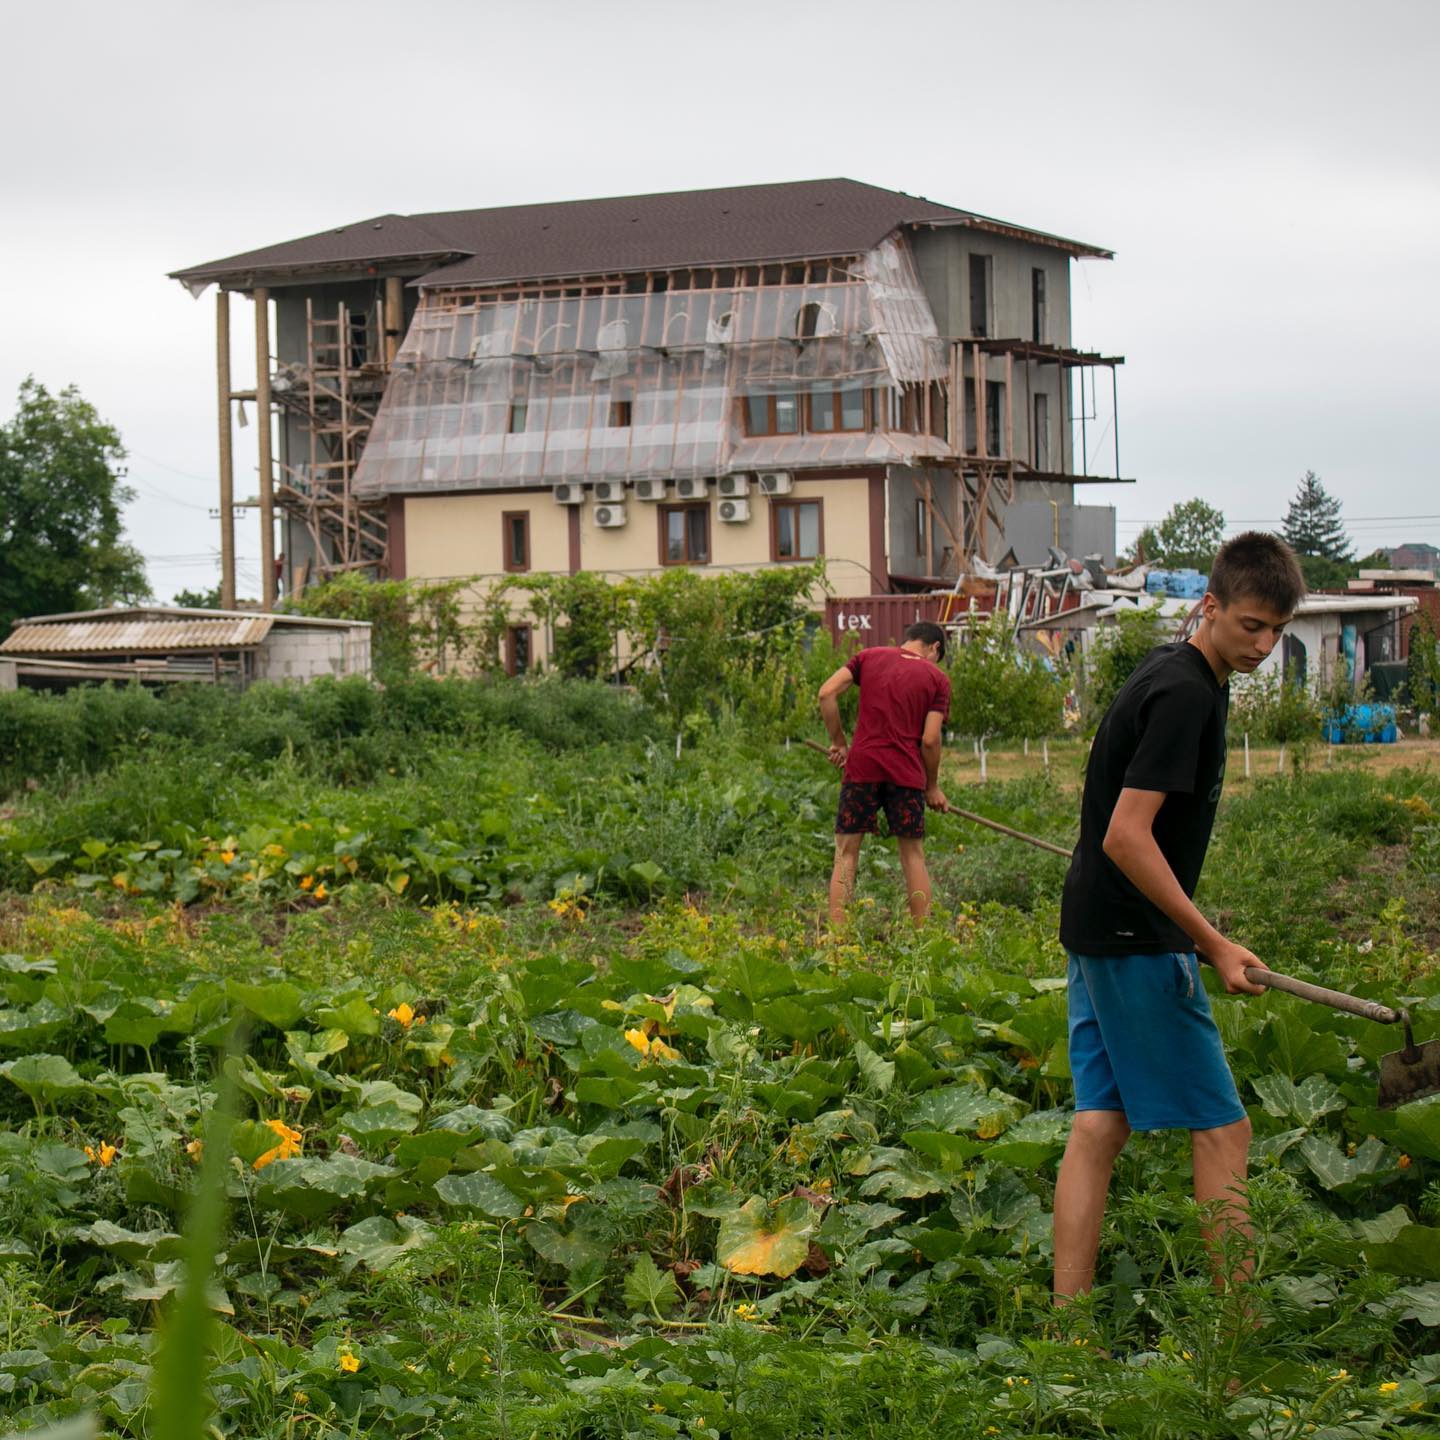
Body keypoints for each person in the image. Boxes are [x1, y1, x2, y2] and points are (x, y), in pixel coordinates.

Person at [1052, 531, 1306, 1304]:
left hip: (1097, 928)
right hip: (1134, 940)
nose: (1262, 646)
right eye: (1250, 626)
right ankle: (1232, 1337)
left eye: (1276, 632)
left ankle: (1068, 1329)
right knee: (1225, 1130)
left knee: (1100, 1126)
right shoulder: (1189, 692)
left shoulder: (1174, 668)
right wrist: (1213, 942)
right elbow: (1127, 836)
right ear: (1211, 606)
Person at [818, 621, 952, 925]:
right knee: (913, 856)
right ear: (935, 648)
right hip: (905, 775)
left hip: (862, 769)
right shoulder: (937, 679)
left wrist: (839, 742)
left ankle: (839, 941)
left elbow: (826, 693)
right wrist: (932, 786)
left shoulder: (867, 657)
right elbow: (930, 739)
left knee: (846, 853)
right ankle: (923, 940)